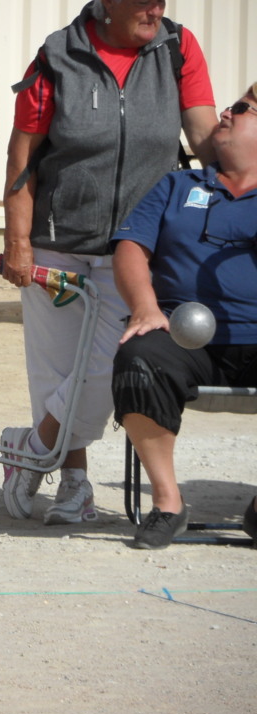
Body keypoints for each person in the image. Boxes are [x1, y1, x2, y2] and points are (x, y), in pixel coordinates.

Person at [0, 0, 217, 526]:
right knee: (56, 370)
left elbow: (209, 143)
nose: (155, 9)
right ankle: (74, 482)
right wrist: (17, 241)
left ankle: (28, 449)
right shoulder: (57, 55)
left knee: (103, 371)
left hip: (135, 252)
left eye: (162, 0)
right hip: (57, 239)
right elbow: (22, 156)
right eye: (143, 0)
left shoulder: (179, 48)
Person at [111, 83, 257, 549]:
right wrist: (145, 307)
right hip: (181, 331)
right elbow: (131, 247)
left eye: (242, 108)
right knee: (138, 359)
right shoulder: (178, 185)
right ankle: (168, 503)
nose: (226, 113)